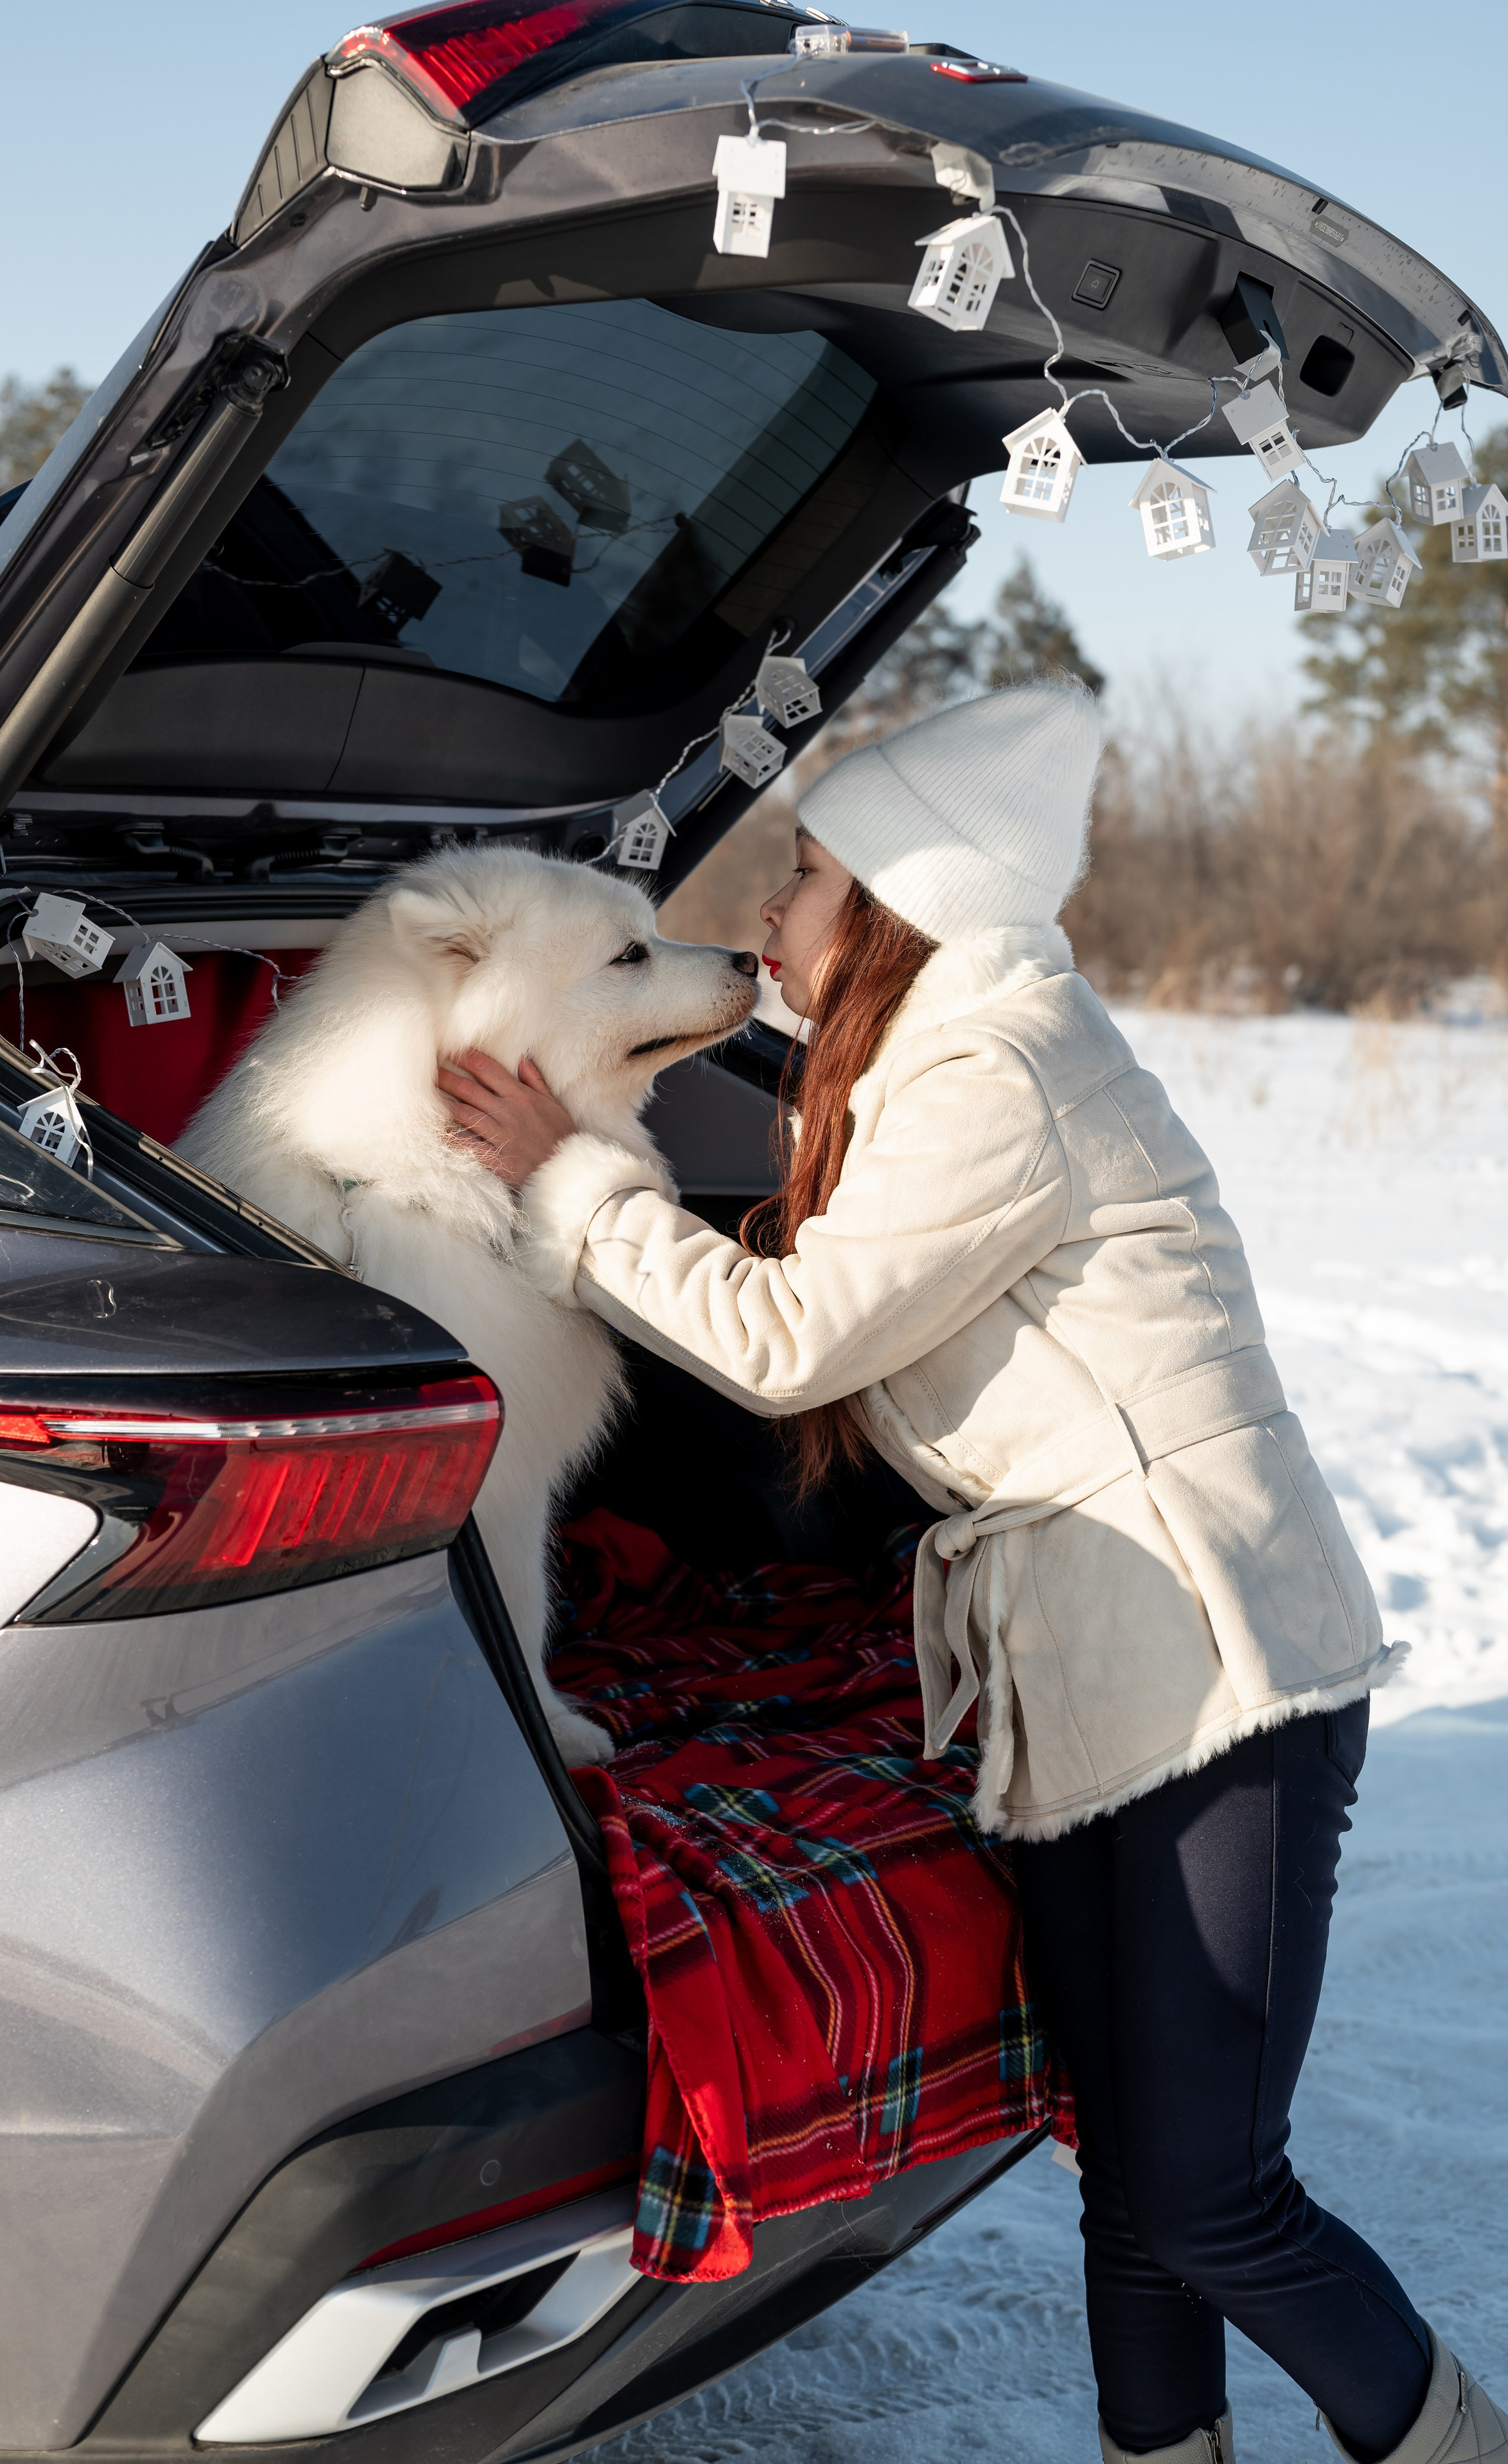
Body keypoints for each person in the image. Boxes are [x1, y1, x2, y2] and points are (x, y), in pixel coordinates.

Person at [438, 684, 1504, 2464]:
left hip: (1211, 1676)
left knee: (1211, 2192)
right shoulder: (941, 1054)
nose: (771, 912)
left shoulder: (994, 1067)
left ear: (899, 903)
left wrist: (572, 1181)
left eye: (805, 876)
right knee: (1131, 2170)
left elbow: (791, 1341)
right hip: (1089, 1672)